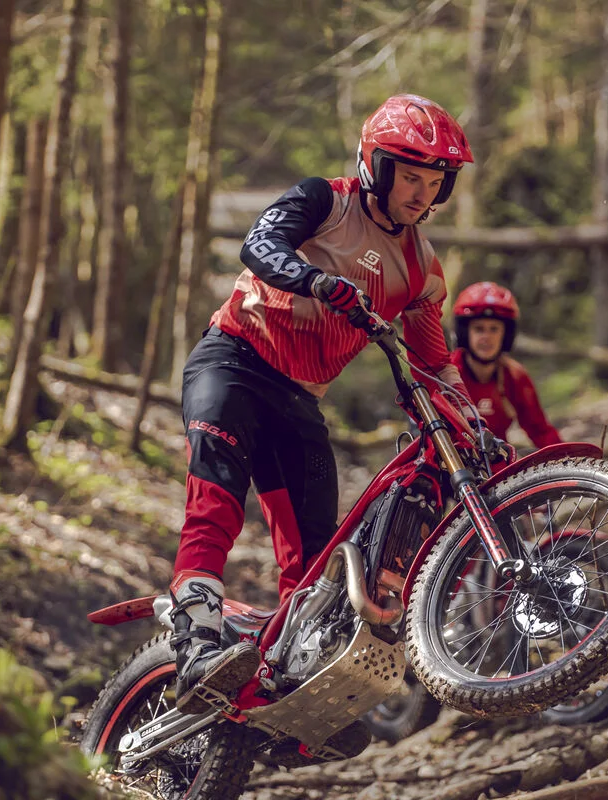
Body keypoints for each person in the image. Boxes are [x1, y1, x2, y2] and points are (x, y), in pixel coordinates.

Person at [168, 94, 474, 713]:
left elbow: (434, 361)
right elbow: (260, 245)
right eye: (410, 176)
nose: (420, 193)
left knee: (314, 556)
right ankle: (195, 624)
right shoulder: (322, 200)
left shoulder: (420, 267)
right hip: (233, 360)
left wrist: (468, 419)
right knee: (218, 489)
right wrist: (314, 280)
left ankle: (287, 673)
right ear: (376, 165)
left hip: (299, 401)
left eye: (434, 182)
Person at [448, 282, 562, 450]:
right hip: (449, 462)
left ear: (506, 335)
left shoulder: (515, 376)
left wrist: (571, 462)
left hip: (496, 467)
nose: (487, 337)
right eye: (479, 329)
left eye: (494, 329)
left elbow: (540, 431)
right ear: (464, 333)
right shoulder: (448, 372)